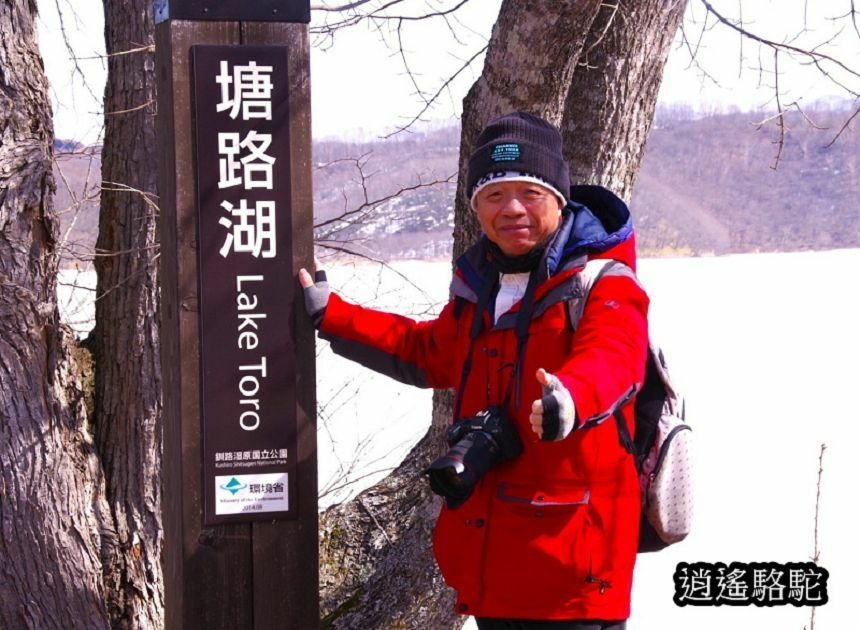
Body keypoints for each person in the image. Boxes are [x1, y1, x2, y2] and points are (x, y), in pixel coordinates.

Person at [299, 111, 649, 629]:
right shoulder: (481, 287)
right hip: (491, 564)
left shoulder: (603, 284)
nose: (511, 209)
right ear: (476, 208)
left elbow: (614, 356)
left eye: (528, 192)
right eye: (492, 195)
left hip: (571, 569)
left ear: (558, 197)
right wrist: (335, 315)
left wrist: (570, 398)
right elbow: (427, 351)